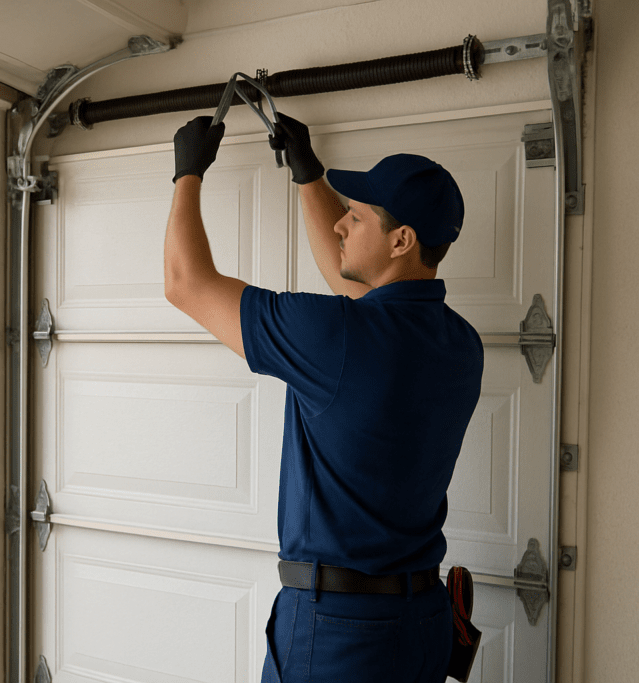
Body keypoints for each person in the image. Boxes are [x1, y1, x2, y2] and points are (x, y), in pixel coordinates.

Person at [163, 113, 484, 683]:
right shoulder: (460, 344)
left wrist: (188, 171)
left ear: (401, 240)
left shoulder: (335, 336)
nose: (340, 225)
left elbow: (185, 282)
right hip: (420, 625)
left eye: (355, 217)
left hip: (340, 635)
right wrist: (307, 173)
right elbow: (358, 286)